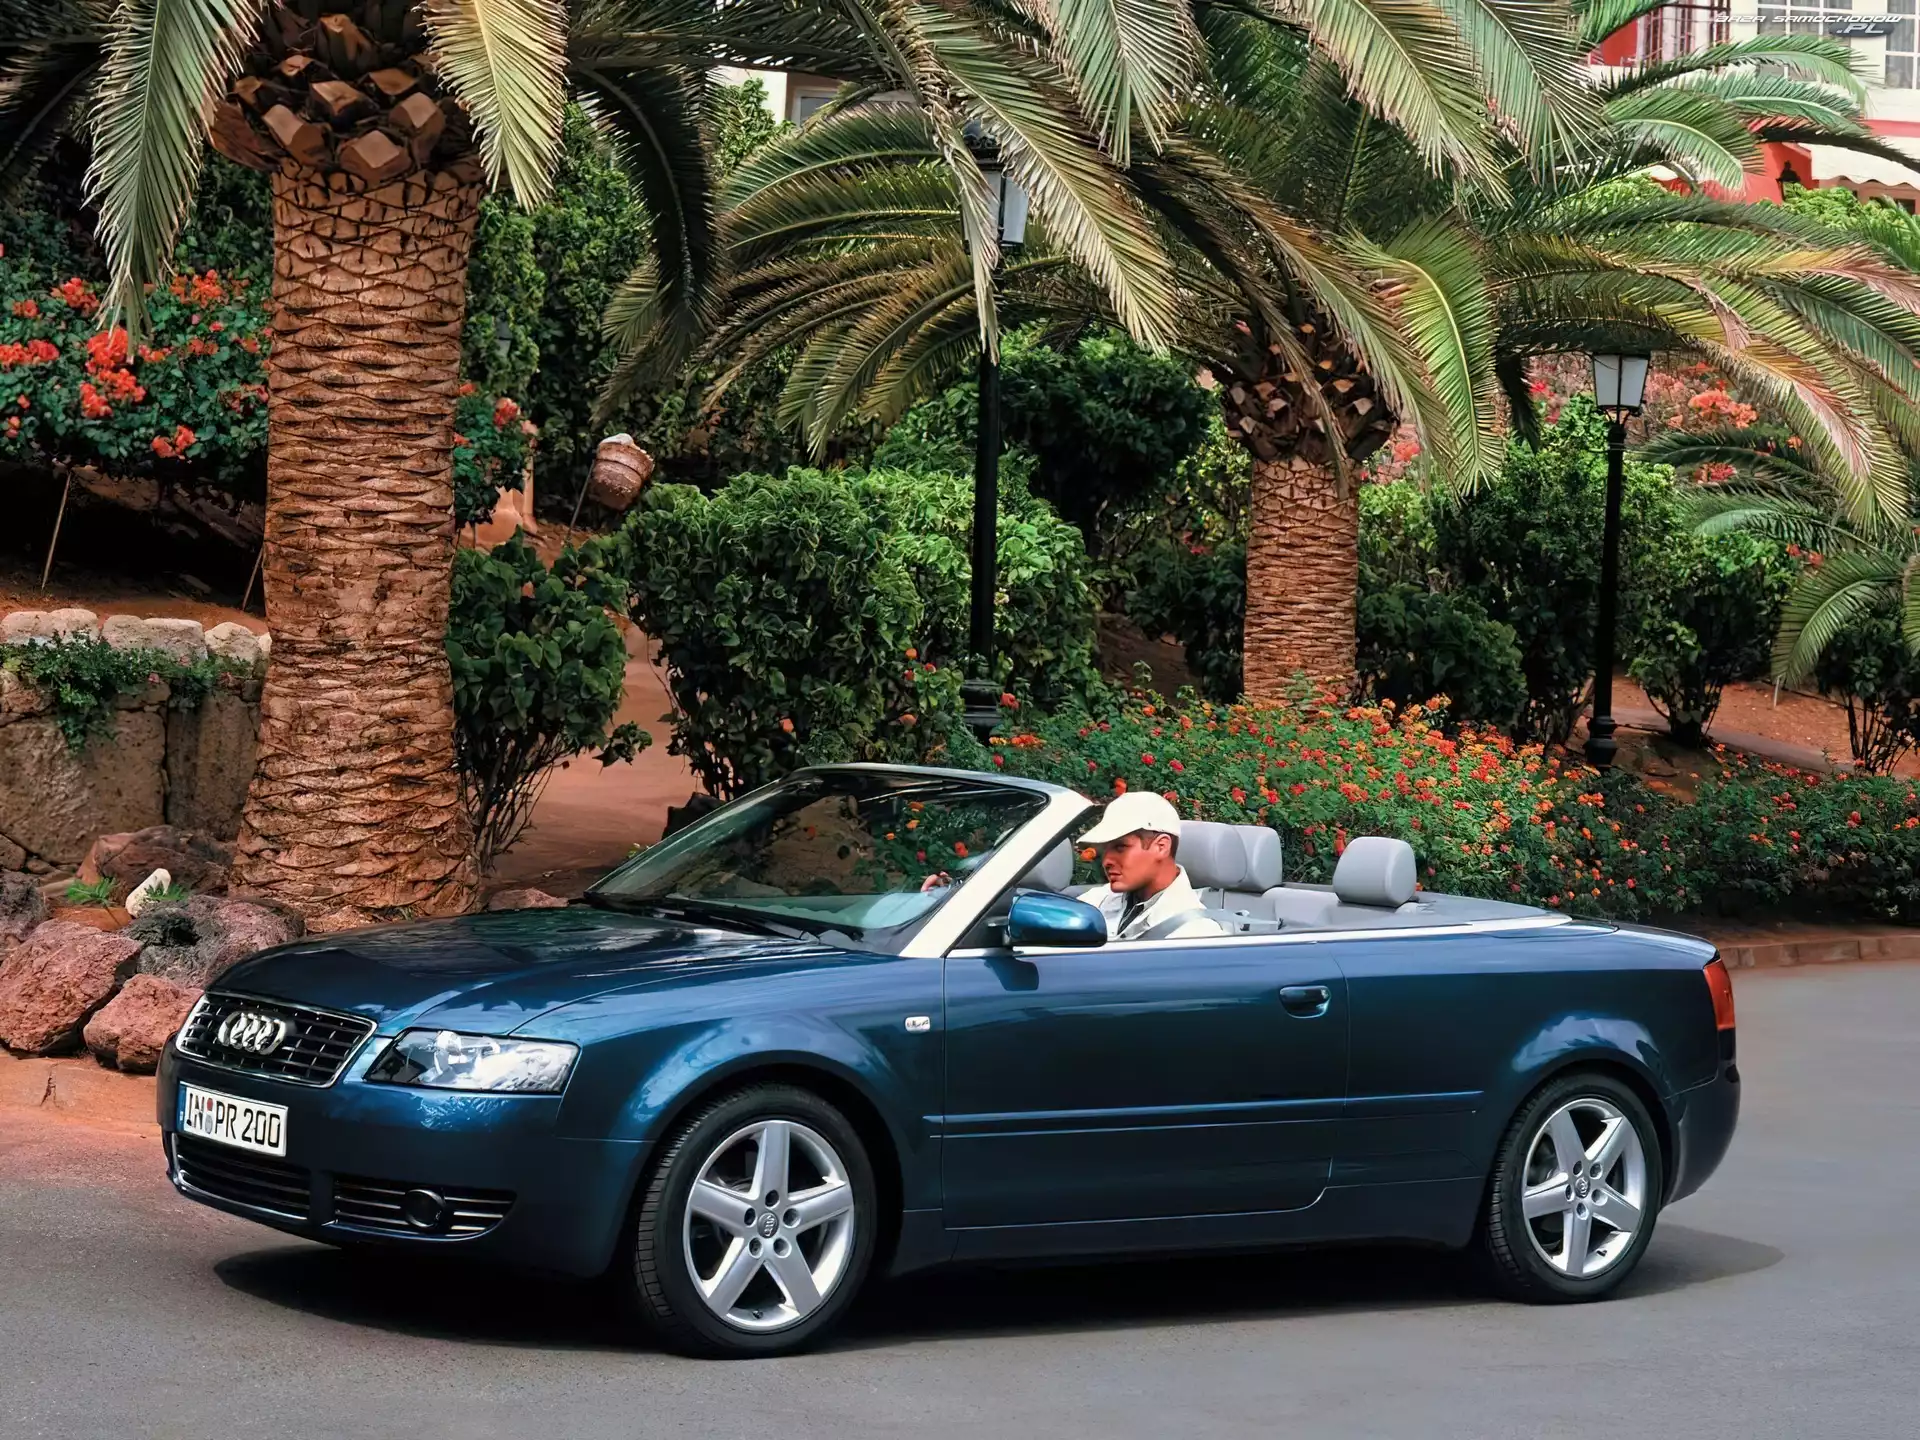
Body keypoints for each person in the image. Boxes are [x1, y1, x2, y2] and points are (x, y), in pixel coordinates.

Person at [1075, 792, 1225, 940]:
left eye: (1120, 847)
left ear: (1161, 847)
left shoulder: (1195, 932)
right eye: (1105, 850)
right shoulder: (1098, 900)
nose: (1106, 861)